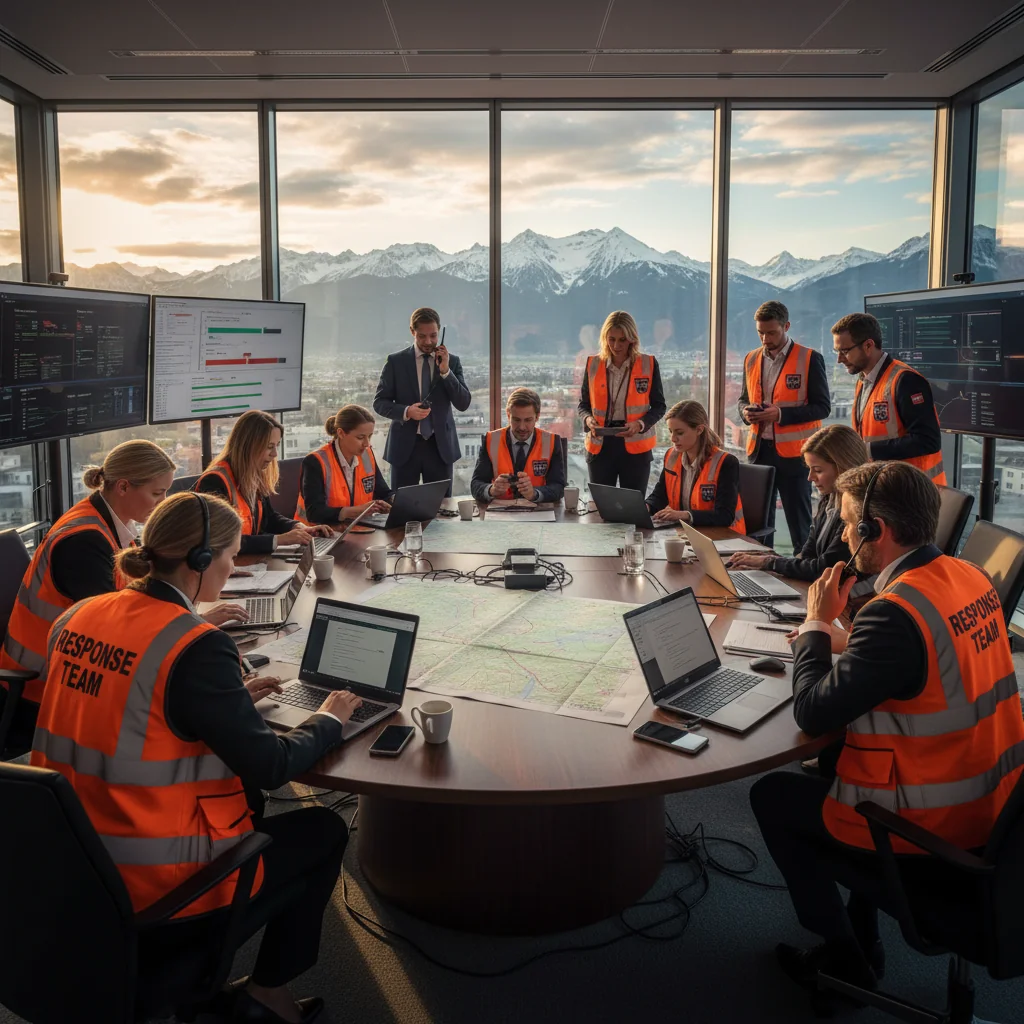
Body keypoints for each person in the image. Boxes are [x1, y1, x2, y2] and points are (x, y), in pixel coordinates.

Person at [32, 492, 364, 1024]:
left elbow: (125, 706)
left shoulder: (78, 615)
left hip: (73, 862)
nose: (233, 567)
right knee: (324, 829)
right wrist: (328, 718)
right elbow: (273, 767)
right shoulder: (195, 643)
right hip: (159, 885)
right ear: (202, 560)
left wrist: (227, 704)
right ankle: (268, 996)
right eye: (231, 555)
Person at [749, 462, 1024, 1013]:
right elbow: (927, 665)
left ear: (877, 529)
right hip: (996, 808)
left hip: (930, 829)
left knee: (773, 797)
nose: (845, 535)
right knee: (830, 770)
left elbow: (811, 712)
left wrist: (817, 628)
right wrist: (853, 642)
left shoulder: (895, 614)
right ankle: (864, 933)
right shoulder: (968, 576)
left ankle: (846, 958)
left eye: (851, 525)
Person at [0, 440, 244, 754]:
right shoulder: (85, 542)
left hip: (70, 676)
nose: (163, 502)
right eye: (157, 493)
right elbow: (118, 632)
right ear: (124, 487)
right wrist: (192, 630)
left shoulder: (110, 525)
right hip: (43, 688)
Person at [738, 300, 831, 551]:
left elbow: (823, 407)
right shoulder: (751, 359)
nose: (765, 339)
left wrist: (780, 414)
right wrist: (746, 413)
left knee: (799, 524)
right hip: (759, 452)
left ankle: (804, 576)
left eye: (771, 332)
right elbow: (743, 400)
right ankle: (760, 573)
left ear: (786, 326)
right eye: (760, 333)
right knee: (757, 524)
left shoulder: (810, 359)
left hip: (796, 455)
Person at [728, 424, 869, 582]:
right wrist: (770, 563)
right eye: (809, 469)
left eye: (818, 470)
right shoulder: (829, 499)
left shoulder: (857, 511)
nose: (810, 478)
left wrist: (769, 562)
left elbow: (824, 568)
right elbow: (807, 555)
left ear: (843, 468)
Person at [833, 311, 947, 486]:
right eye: (837, 352)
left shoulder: (906, 381)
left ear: (868, 345)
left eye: (845, 351)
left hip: (913, 491)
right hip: (884, 486)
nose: (839, 359)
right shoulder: (864, 379)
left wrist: (866, 450)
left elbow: (928, 441)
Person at [196, 409, 331, 555]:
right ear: (249, 445)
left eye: (276, 446)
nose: (274, 454)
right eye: (269, 447)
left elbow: (269, 518)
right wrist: (279, 540)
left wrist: (299, 528)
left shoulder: (253, 474)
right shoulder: (215, 482)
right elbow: (222, 541)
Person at [372, 306, 472, 495]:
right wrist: (406, 411)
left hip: (440, 447)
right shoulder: (396, 362)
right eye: (422, 336)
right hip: (404, 448)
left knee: (442, 511)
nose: (428, 341)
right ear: (412, 332)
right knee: (401, 510)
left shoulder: (452, 362)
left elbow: (463, 403)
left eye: (433, 336)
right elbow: (379, 403)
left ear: (439, 332)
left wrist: (446, 372)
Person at [579, 311, 666, 492]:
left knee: (634, 507)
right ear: (604, 338)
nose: (616, 345)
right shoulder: (593, 364)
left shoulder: (648, 364)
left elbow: (659, 406)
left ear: (632, 339)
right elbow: (583, 405)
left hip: (635, 443)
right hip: (601, 443)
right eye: (611, 339)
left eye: (622, 340)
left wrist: (640, 424)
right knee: (601, 506)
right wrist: (588, 420)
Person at [645, 400, 744, 530]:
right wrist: (646, 507)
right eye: (671, 432)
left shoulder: (726, 462)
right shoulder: (671, 456)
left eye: (679, 433)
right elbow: (659, 496)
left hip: (725, 539)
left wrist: (685, 515)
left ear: (699, 430)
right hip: (687, 535)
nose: (673, 439)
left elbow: (724, 516)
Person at [295, 404, 392, 525]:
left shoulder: (366, 455)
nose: (367, 443)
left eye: (370, 436)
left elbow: (382, 492)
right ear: (341, 433)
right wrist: (357, 511)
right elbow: (315, 513)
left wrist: (393, 502)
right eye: (360, 437)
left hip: (357, 529)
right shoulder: (316, 462)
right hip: (318, 534)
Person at [471, 387, 566, 504]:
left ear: (537, 417)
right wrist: (492, 490)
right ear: (508, 415)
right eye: (516, 420)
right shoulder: (491, 440)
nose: (522, 427)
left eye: (528, 420)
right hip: (500, 515)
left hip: (538, 513)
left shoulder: (551, 441)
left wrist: (534, 493)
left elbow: (558, 488)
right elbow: (476, 485)